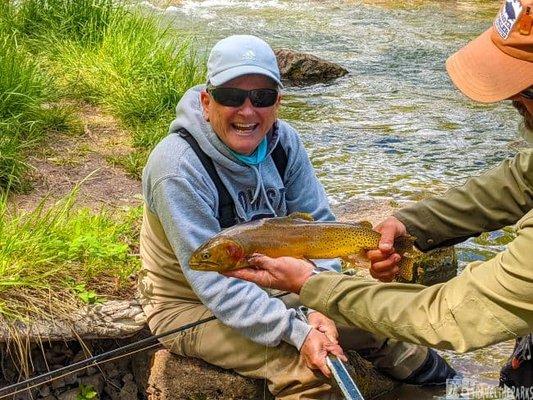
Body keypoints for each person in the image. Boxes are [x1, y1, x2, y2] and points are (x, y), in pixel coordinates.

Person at [138, 34, 455, 400]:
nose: (247, 111)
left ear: (277, 103)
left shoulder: (284, 142)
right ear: (207, 102)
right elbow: (215, 287)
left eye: (261, 97)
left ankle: (454, 388)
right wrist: (300, 331)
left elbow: (321, 228)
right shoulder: (176, 168)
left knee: (381, 320)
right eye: (230, 97)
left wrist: (324, 301)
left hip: (279, 286)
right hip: (191, 306)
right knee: (309, 368)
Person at [225, 0, 533, 354]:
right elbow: (522, 181)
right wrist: (409, 225)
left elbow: (452, 314)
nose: (511, 100)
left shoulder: (285, 143)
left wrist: (313, 285)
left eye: (525, 90)